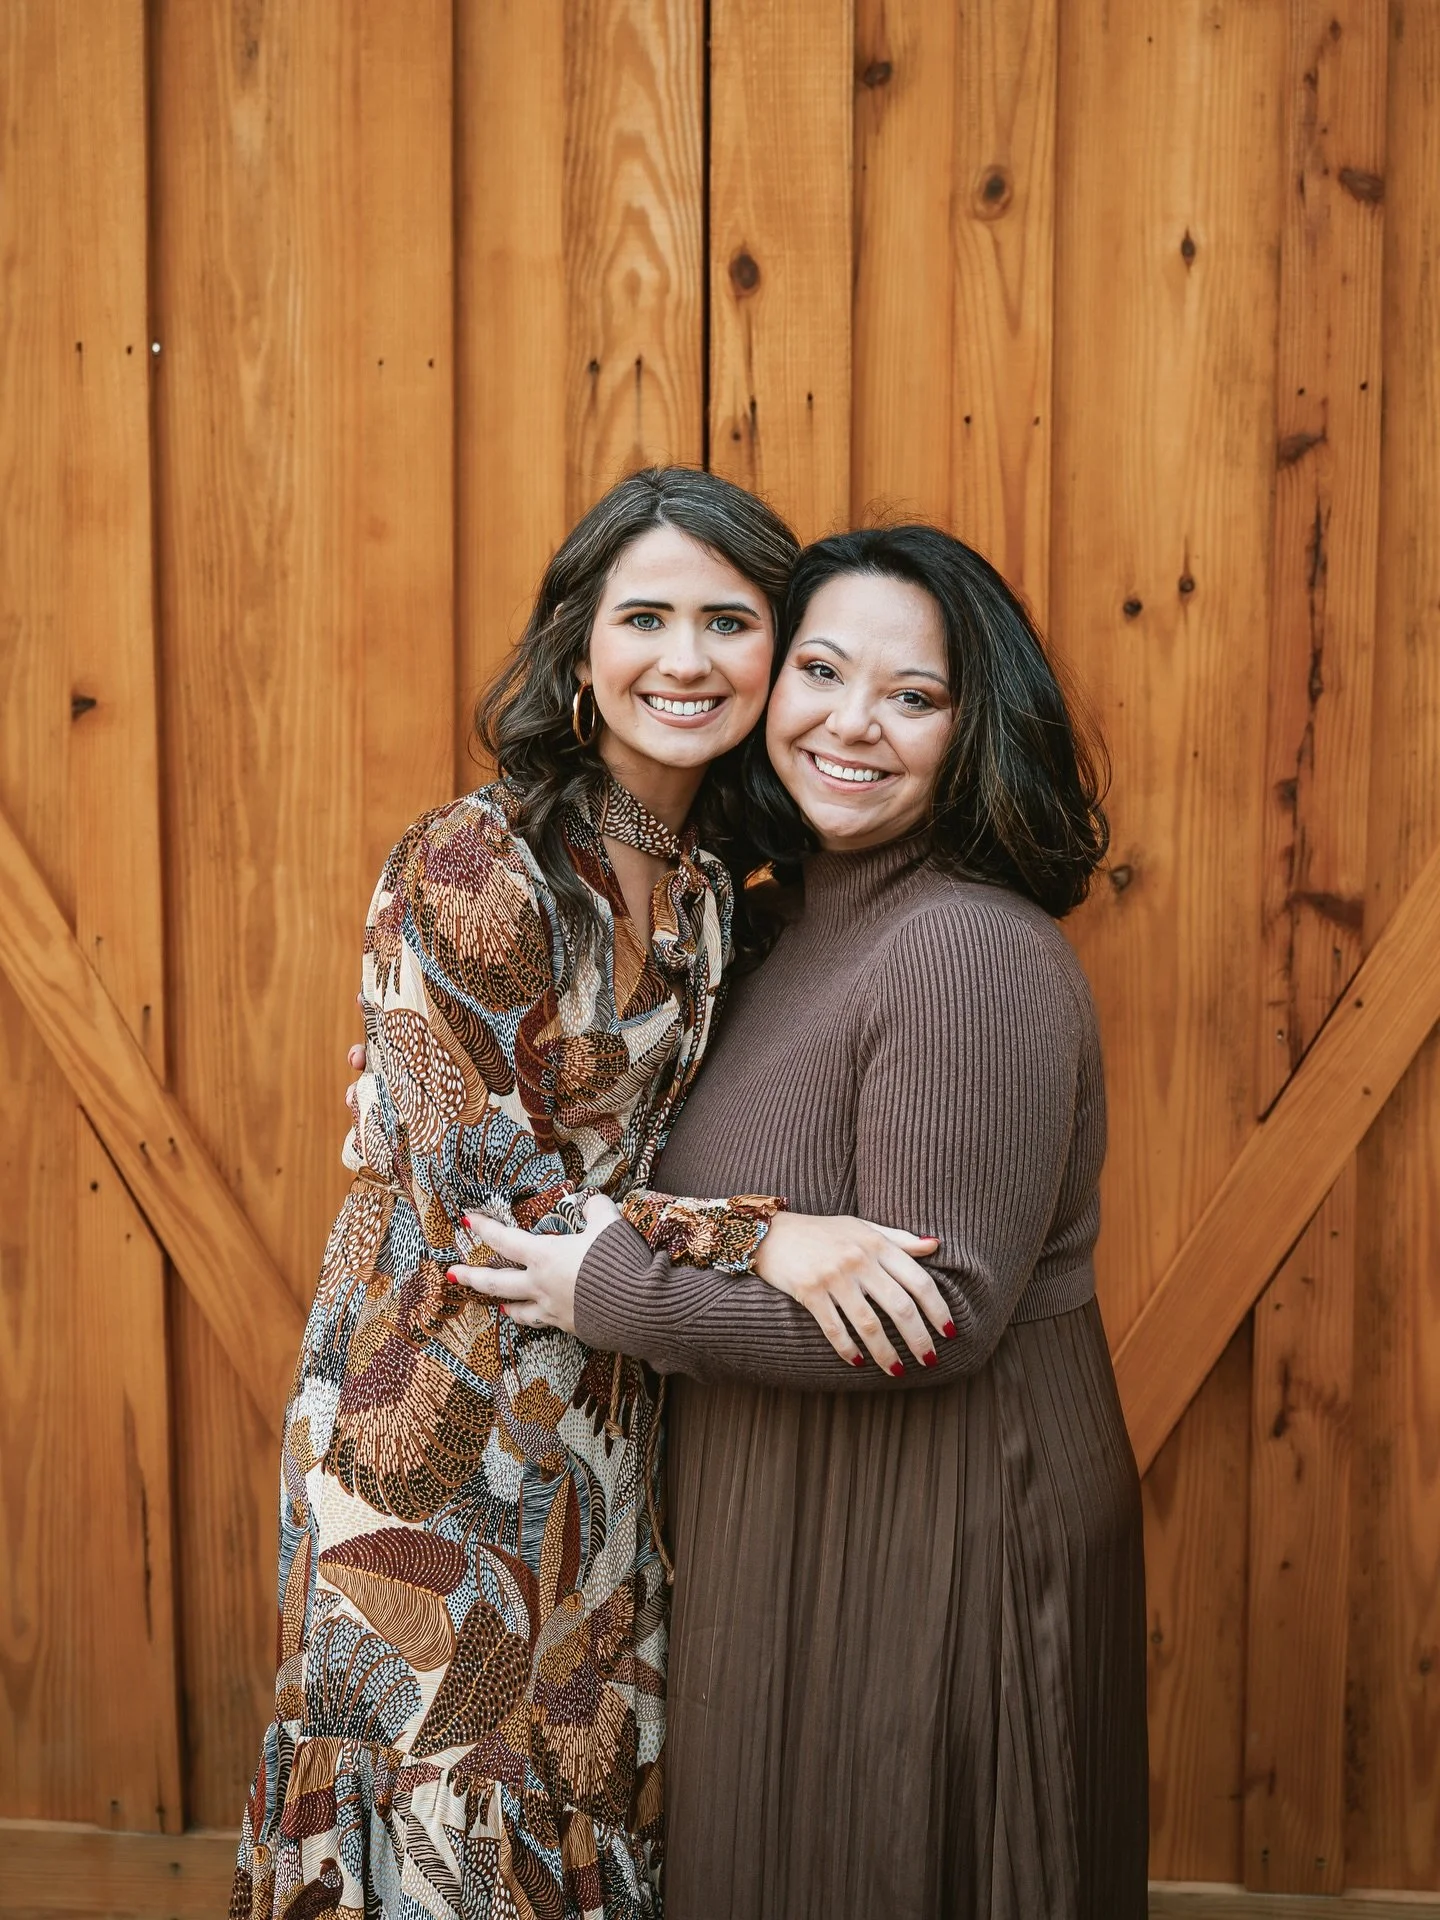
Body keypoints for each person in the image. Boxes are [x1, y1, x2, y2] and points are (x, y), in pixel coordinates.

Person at [231, 473, 941, 1920]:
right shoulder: (473, 863)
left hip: (608, 1413)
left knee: (572, 1796)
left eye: (729, 622)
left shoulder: (711, 889)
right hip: (431, 1421)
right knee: (442, 1822)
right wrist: (770, 1237)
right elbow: (495, 1193)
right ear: (580, 645)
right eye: (647, 617)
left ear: (773, 653)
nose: (685, 657)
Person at [459, 527, 1150, 1919]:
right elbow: (655, 1148)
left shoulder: (962, 947)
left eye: (913, 695)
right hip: (795, 1516)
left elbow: (933, 1312)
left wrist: (613, 1291)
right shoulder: (764, 925)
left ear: (976, 729)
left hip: (944, 1525)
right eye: (822, 671)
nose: (851, 720)